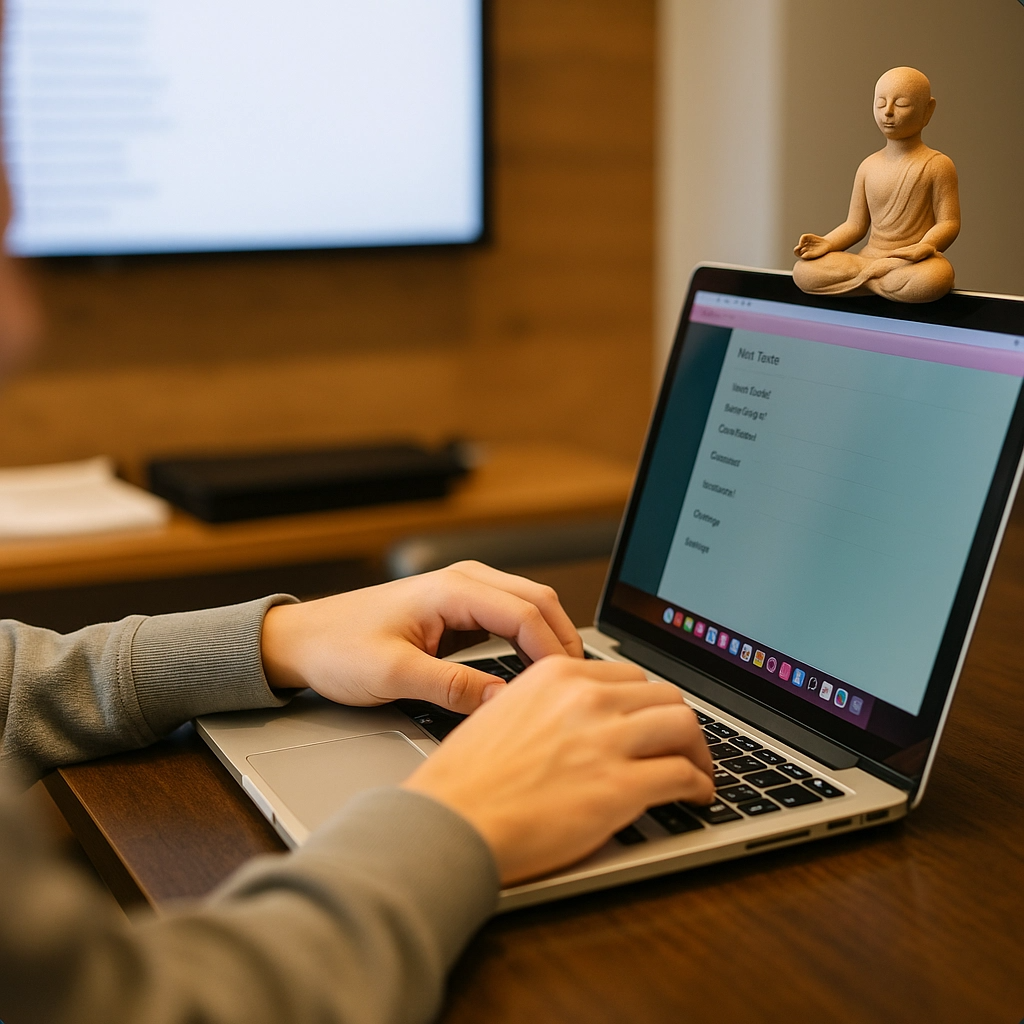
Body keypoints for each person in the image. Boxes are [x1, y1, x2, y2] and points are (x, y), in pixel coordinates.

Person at [792, 66, 960, 303]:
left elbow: (949, 222)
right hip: (869, 258)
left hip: (908, 262)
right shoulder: (868, 166)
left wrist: (926, 245)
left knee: (935, 277)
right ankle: (875, 279)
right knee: (803, 272)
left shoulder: (937, 165)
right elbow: (855, 225)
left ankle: (863, 282)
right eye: (881, 103)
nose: (888, 112)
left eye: (901, 104)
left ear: (927, 110)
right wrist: (827, 242)